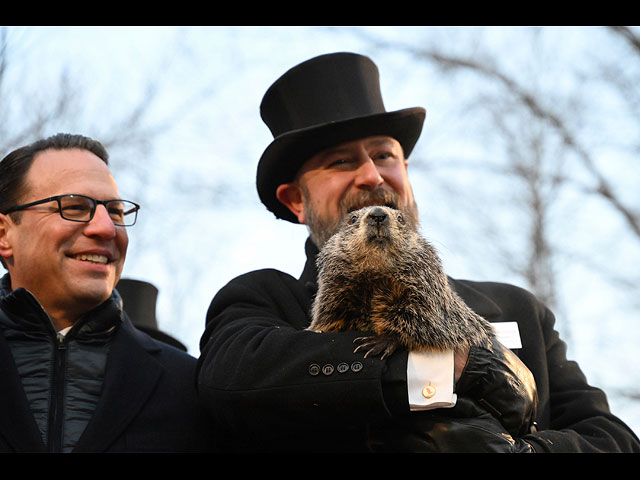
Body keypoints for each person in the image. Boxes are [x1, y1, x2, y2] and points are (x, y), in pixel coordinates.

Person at [197, 52, 640, 453]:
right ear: (296, 200)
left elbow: (613, 439)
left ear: (405, 171)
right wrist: (445, 368)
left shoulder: (516, 308)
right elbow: (232, 381)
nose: (372, 176)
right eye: (341, 161)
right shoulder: (263, 300)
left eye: (385, 155)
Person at [0, 133, 216, 453]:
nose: (106, 228)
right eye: (73, 207)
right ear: (5, 235)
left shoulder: (191, 388)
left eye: (115, 212)